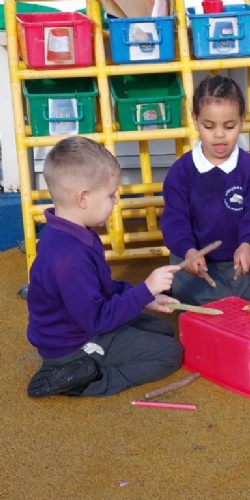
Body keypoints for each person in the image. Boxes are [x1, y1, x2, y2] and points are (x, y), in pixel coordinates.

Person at [26, 136, 183, 398]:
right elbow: (97, 319)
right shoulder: (69, 258)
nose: (115, 201)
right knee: (170, 353)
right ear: (83, 198)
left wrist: (145, 298)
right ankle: (89, 379)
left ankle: (90, 364)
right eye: (110, 195)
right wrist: (144, 290)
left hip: (82, 325)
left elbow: (103, 288)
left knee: (162, 329)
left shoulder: (75, 233)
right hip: (73, 344)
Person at [160, 75, 250, 305]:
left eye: (229, 126)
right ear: (195, 120)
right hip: (195, 259)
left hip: (238, 259)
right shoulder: (181, 171)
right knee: (203, 304)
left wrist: (247, 245)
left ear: (241, 121)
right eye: (209, 126)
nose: (219, 134)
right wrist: (188, 251)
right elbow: (175, 219)